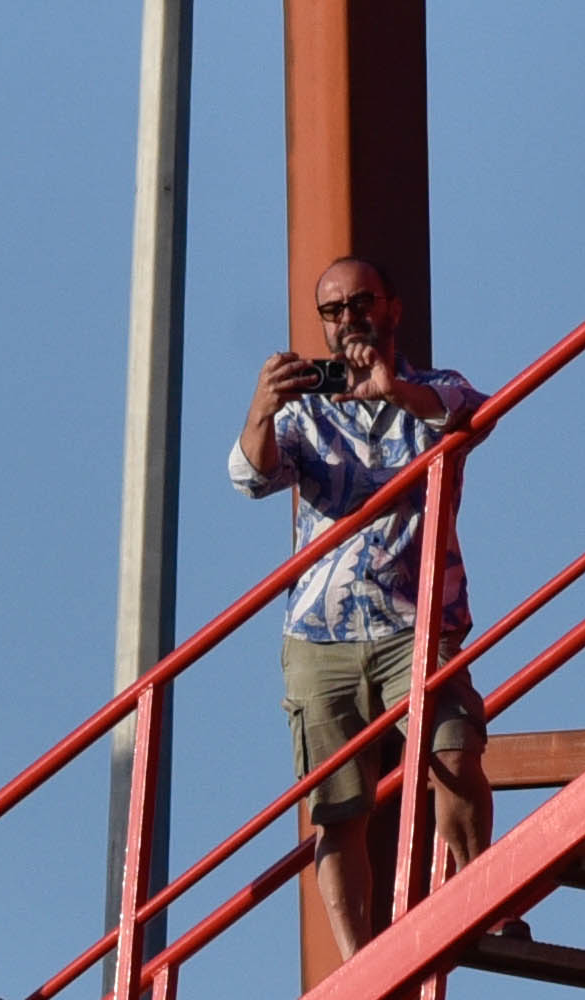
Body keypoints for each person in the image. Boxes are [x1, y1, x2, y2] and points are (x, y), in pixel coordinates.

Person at [231, 255, 486, 958]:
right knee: (337, 808)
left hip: (417, 620)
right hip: (322, 635)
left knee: (455, 750)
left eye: (360, 304)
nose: (348, 322)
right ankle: (356, 961)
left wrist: (395, 390)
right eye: (333, 311)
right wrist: (261, 405)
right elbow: (251, 477)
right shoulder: (304, 409)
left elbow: (470, 415)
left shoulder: (434, 388)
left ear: (393, 308)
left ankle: (478, 895)